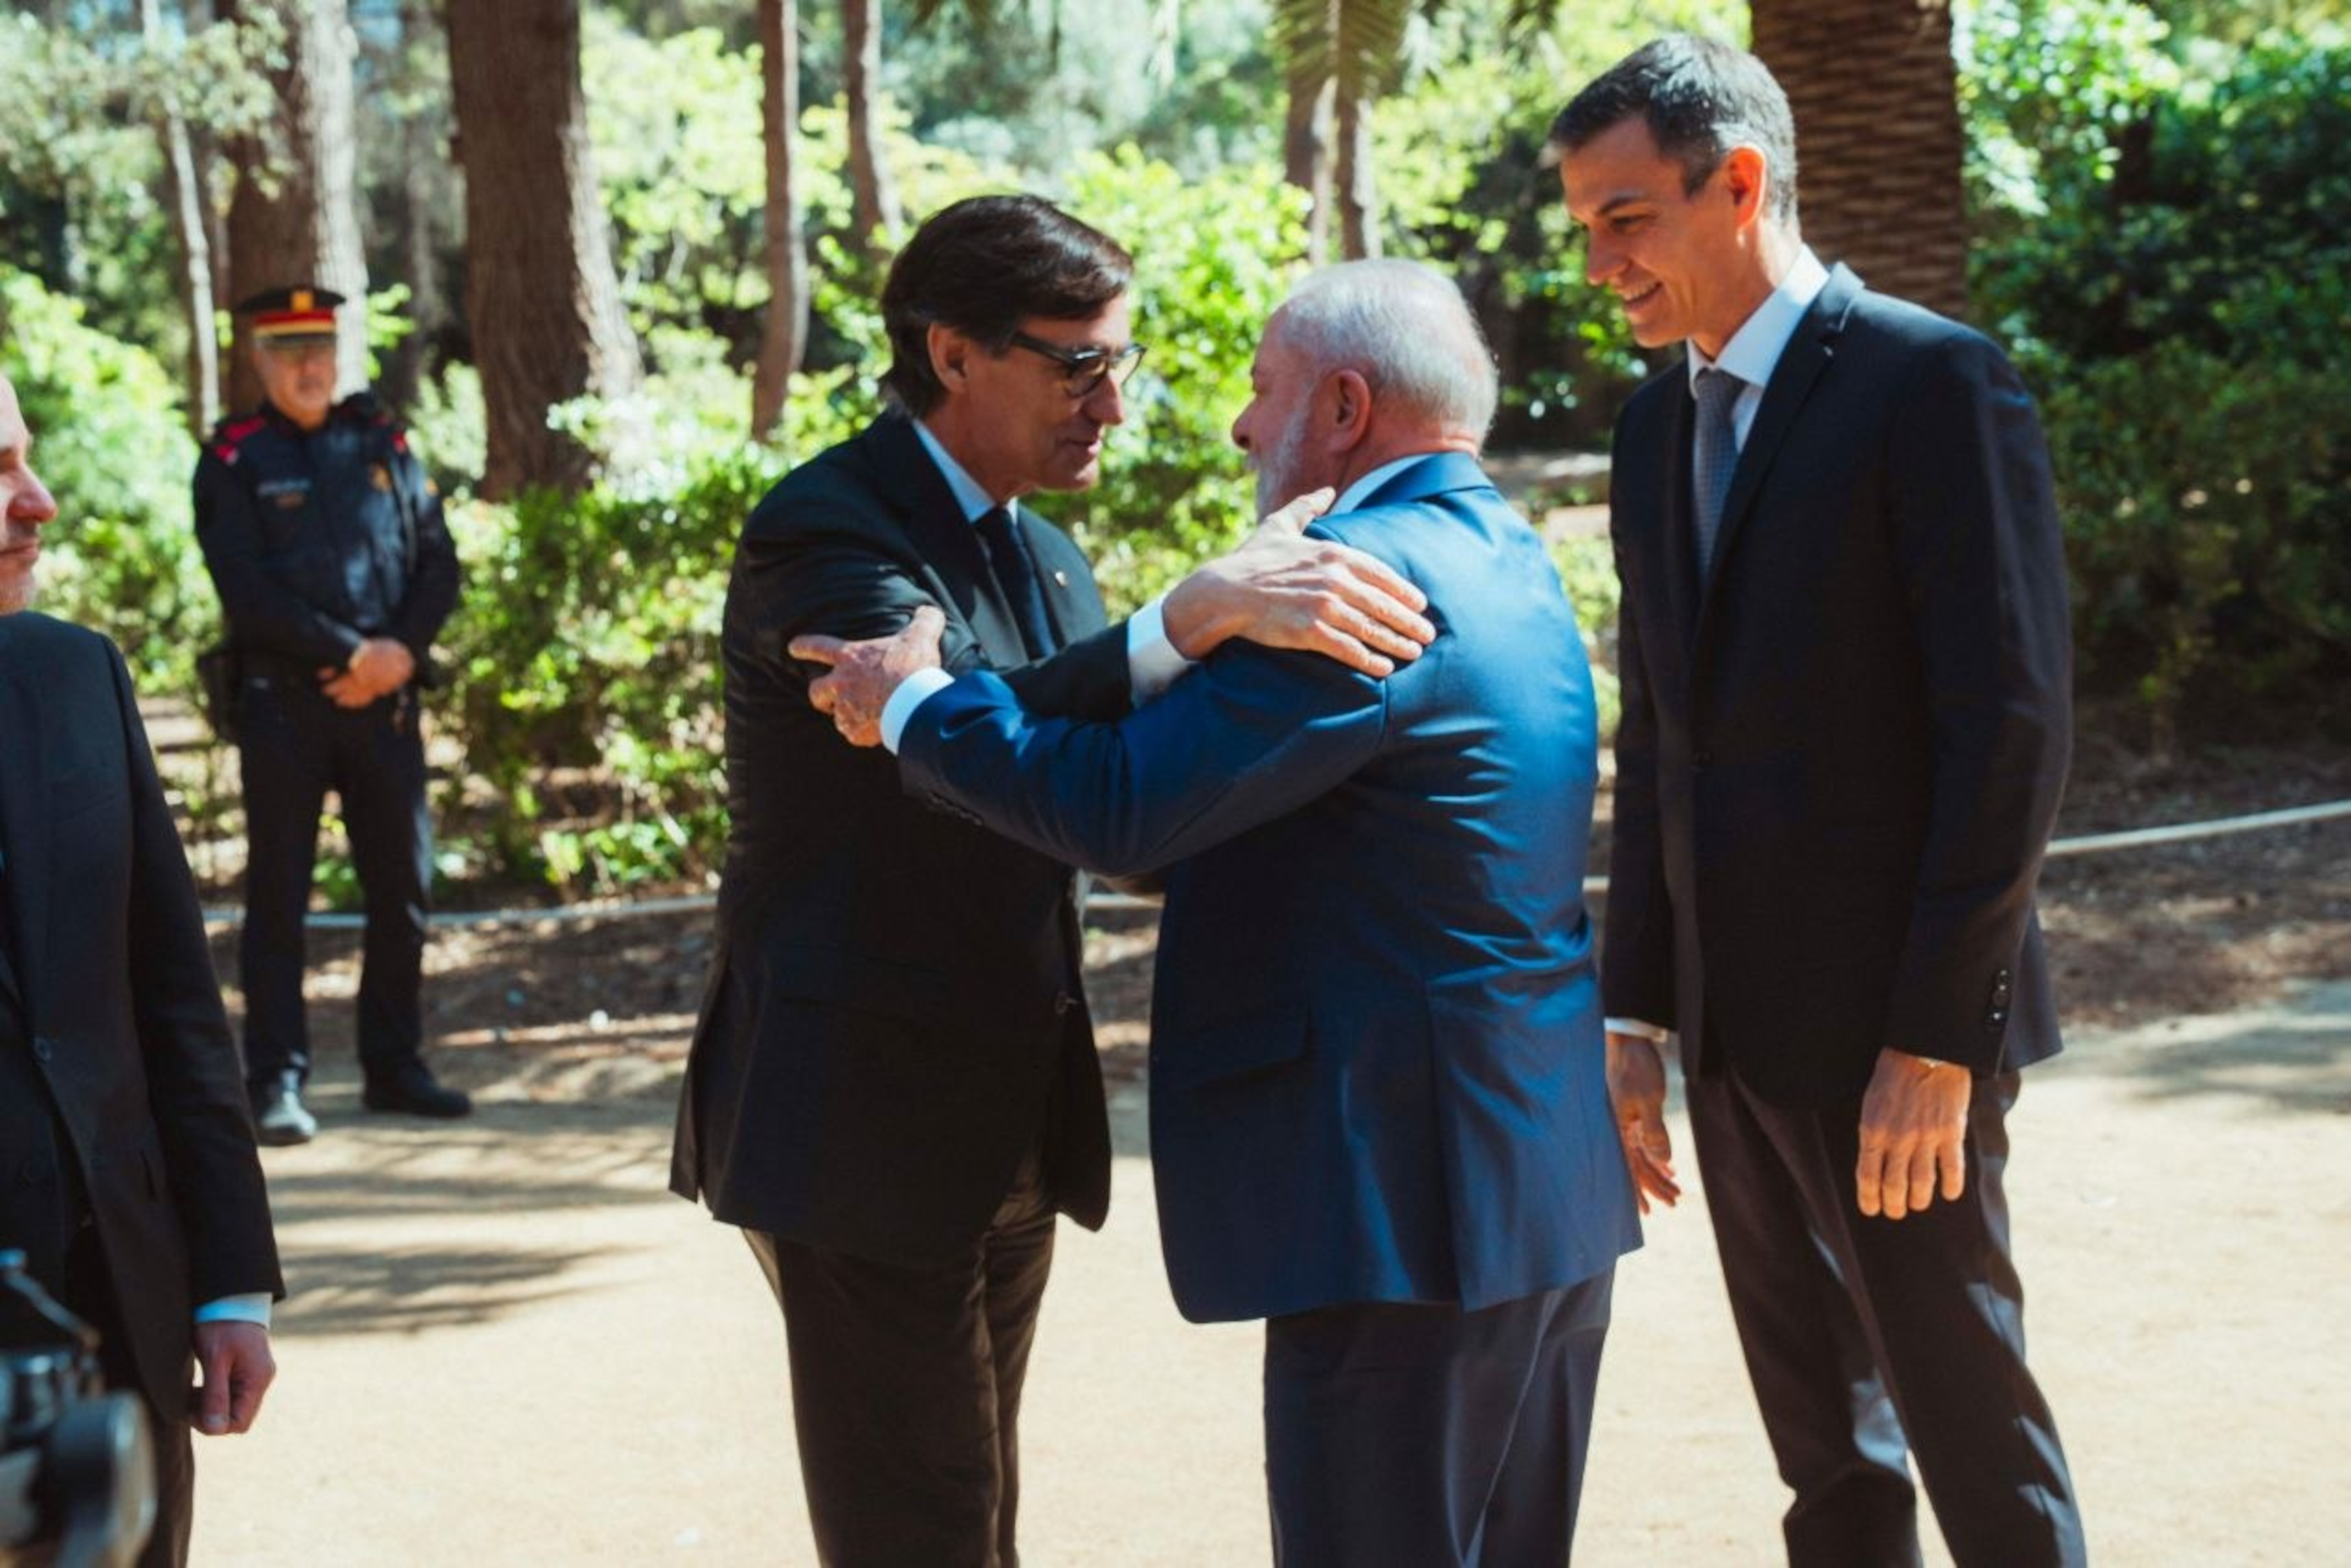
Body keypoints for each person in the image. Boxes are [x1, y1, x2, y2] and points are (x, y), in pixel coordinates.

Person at [796, 259, 1639, 1566]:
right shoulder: (1508, 552)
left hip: (1403, 1210)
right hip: (1536, 1185)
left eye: (1262, 391)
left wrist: (917, 703)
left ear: (1345, 406)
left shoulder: (1344, 584)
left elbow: (1127, 807)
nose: (1244, 428)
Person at [668, 196, 1440, 1567]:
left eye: (1119, 364)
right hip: (857, 1119)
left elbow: (1098, 793)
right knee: (921, 1527)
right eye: (1080, 367)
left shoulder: (1048, 551)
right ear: (952, 353)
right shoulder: (829, 535)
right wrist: (1183, 618)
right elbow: (959, 726)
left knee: (977, 1505)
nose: (1114, 406)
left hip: (1009, 1111)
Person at [1551, 36, 2084, 1567]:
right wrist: (1638, 1011)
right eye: (1584, 227)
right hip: (1727, 1038)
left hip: (1896, 1040)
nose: (1600, 264)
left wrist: (1938, 1037)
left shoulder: (1932, 383)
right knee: (1828, 1459)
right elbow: (1662, 737)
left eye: (1626, 219)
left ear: (1738, 183)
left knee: (1970, 1427)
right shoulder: (1653, 428)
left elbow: (2012, 729)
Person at [0, 369, 283, 1568]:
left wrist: (230, 1283)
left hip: (114, 1310)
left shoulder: (77, 676)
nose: (38, 501)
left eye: (23, 458)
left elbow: (173, 997)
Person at [193, 286, 467, 1144]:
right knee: (280, 897)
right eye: (290, 351)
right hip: (285, 710)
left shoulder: (382, 440)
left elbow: (438, 560)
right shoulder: (234, 457)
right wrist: (354, 654)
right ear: (261, 360)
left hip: (386, 708)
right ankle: (276, 1079)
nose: (309, 366)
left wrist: (398, 656)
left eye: (320, 349)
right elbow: (245, 588)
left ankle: (395, 1064)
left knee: (404, 890)